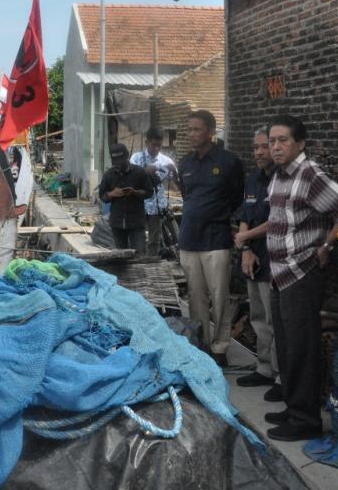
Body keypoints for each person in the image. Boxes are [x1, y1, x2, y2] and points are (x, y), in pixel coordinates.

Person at [265, 114, 338, 442]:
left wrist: (328, 244)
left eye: (283, 141)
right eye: (272, 141)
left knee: (302, 349)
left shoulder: (310, 175)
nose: (276, 147)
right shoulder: (279, 176)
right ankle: (293, 408)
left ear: (300, 143)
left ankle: (305, 421)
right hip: (280, 273)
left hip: (301, 273)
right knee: (288, 347)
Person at [177, 110, 244, 367]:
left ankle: (220, 347)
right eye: (190, 129)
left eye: (197, 129)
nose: (193, 134)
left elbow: (237, 197)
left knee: (219, 296)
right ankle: (201, 344)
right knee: (195, 296)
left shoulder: (228, 162)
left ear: (211, 131)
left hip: (216, 239)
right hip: (189, 238)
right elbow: (187, 197)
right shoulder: (185, 163)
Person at [233, 127, 278, 391]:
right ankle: (264, 368)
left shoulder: (284, 179)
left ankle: (281, 376)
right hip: (254, 257)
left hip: (276, 258)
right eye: (256, 147)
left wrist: (244, 237)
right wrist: (245, 247)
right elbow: (245, 214)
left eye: (265, 146)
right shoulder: (253, 179)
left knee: (275, 319)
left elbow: (277, 220)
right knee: (258, 316)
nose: (260, 152)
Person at [98, 143, 154, 254]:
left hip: (136, 222)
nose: (118, 164)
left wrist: (135, 192)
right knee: (120, 256)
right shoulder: (108, 175)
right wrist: (111, 194)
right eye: (115, 161)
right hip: (117, 223)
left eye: (121, 160)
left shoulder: (139, 172)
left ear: (127, 157)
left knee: (139, 254)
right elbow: (102, 196)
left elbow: (149, 192)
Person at [131, 127, 177, 256]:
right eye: (153, 145)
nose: (156, 148)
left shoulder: (166, 161)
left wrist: (173, 172)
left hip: (157, 206)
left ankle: (152, 263)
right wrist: (146, 171)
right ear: (147, 142)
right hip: (139, 204)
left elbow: (175, 187)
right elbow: (131, 179)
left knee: (154, 239)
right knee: (137, 237)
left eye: (159, 145)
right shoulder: (136, 158)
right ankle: (138, 261)